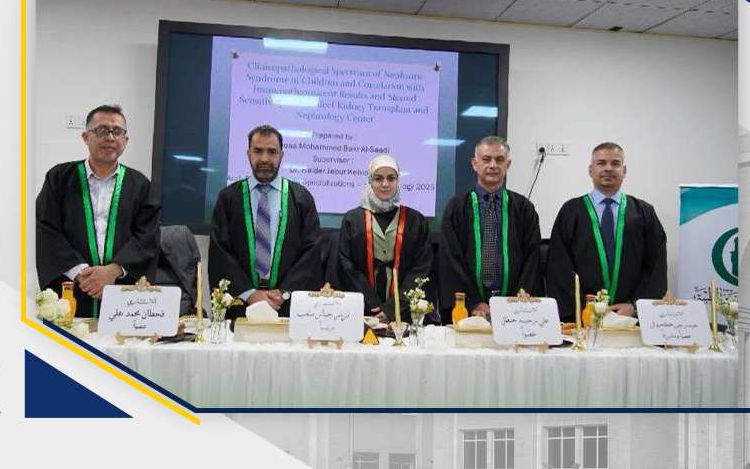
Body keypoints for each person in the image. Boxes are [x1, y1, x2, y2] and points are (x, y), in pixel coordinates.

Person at [36, 105, 160, 318]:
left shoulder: (140, 185)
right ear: (86, 137)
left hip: (121, 292)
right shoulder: (59, 178)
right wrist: (82, 274)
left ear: (125, 140)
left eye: (117, 131)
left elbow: (147, 236)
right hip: (71, 288)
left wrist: (113, 271)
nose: (110, 137)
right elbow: (47, 229)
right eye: (102, 130)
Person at [208, 125, 321, 317]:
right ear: (248, 154)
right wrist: (250, 294)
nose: (264, 159)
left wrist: (284, 293)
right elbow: (220, 253)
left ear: (281, 155)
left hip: (287, 306)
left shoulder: (301, 199)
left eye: (272, 152)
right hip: (240, 304)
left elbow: (311, 253)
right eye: (258, 151)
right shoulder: (228, 198)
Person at [546, 142, 667, 321]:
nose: (608, 168)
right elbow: (559, 266)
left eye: (615, 163)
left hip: (629, 318)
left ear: (624, 171)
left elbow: (655, 266)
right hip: (583, 317)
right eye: (601, 163)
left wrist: (635, 306)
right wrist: (583, 308)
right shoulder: (571, 211)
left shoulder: (643, 213)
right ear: (590, 170)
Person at [439, 136, 542, 319]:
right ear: (475, 164)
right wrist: (474, 303)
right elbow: (450, 260)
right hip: (468, 309)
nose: (493, 165)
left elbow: (532, 261)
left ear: (508, 165)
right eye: (486, 159)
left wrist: (514, 303)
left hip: (514, 308)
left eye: (499, 160)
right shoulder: (457, 207)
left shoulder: (524, 209)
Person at [337, 155, 433, 323]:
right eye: (378, 178)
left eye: (391, 178)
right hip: (363, 311)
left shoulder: (416, 221)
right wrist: (371, 302)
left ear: (398, 181)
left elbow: (421, 268)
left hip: (403, 312)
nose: (385, 184)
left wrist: (392, 308)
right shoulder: (352, 219)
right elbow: (346, 266)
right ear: (369, 181)